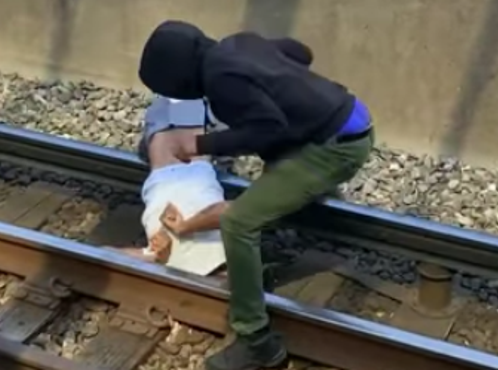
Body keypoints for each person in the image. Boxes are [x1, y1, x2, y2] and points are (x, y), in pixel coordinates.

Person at [137, 20, 374, 370]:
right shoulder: (238, 44)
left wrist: (202, 143)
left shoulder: (221, 83)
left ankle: (258, 342)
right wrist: (287, 84)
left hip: (335, 148)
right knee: (272, 175)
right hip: (350, 115)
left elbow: (268, 130)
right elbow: (299, 53)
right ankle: (315, 210)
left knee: (238, 224)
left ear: (181, 82)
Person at [107, 94, 230, 278]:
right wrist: (186, 227)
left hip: (177, 168)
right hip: (188, 167)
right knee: (183, 114)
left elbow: (104, 254)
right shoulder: (231, 254)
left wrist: (160, 256)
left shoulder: (167, 261)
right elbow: (231, 211)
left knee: (178, 113)